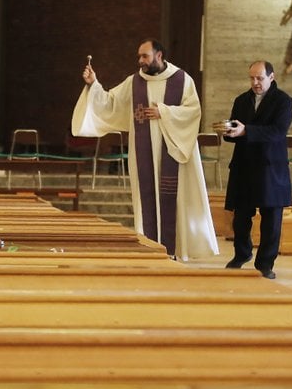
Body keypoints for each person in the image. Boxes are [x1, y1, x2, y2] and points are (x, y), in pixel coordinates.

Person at [72, 39, 218, 261]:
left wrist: (165, 112)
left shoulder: (181, 80)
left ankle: (176, 251)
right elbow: (110, 102)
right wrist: (94, 84)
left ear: (159, 55)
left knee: (174, 201)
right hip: (144, 154)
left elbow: (193, 111)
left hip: (173, 152)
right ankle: (151, 249)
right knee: (147, 199)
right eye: (139, 56)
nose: (140, 61)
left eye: (145, 56)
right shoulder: (134, 82)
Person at [216, 60, 292, 279]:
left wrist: (245, 131)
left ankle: (265, 264)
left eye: (260, 78)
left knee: (271, 219)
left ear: (271, 77)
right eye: (252, 78)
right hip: (244, 165)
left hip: (270, 167)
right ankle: (241, 254)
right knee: (240, 217)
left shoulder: (283, 101)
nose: (255, 82)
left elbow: (278, 131)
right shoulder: (241, 100)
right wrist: (228, 131)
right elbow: (235, 131)